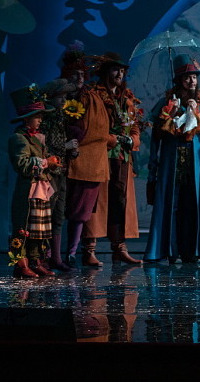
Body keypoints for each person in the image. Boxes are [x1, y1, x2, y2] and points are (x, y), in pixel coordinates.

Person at [145, 54, 200, 263]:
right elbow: (156, 137)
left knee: (191, 206)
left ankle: (191, 251)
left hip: (195, 165)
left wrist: (198, 116)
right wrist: (171, 114)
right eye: (187, 77)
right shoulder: (167, 103)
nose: (192, 81)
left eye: (194, 77)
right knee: (171, 205)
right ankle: (168, 250)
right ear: (179, 80)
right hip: (171, 163)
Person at [83, 52, 143, 265]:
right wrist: (113, 138)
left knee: (120, 201)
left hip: (122, 157)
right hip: (101, 155)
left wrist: (132, 139)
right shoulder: (94, 95)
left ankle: (119, 247)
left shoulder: (127, 98)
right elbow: (93, 126)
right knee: (96, 202)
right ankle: (89, 249)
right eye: (116, 69)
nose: (120, 73)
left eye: (122, 70)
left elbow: (134, 125)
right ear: (106, 71)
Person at [62, 45, 112, 267]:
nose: (79, 78)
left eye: (82, 74)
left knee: (80, 213)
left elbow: (100, 130)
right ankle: (50, 254)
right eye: (75, 74)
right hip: (62, 161)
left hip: (88, 164)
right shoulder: (59, 95)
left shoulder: (92, 98)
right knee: (54, 212)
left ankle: (71, 254)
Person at [7, 84, 62, 278]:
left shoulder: (38, 138)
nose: (40, 120)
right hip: (29, 190)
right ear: (27, 119)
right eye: (37, 117)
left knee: (39, 230)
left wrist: (52, 163)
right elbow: (22, 164)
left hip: (41, 190)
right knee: (24, 227)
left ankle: (36, 260)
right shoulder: (19, 138)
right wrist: (46, 162)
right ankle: (20, 264)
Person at [39, 77, 79, 271]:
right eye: (60, 96)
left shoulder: (61, 117)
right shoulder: (46, 118)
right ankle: (45, 257)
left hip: (61, 170)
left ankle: (56, 257)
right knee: (47, 213)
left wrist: (72, 150)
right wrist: (65, 146)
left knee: (59, 214)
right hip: (49, 172)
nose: (64, 100)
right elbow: (44, 145)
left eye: (65, 96)